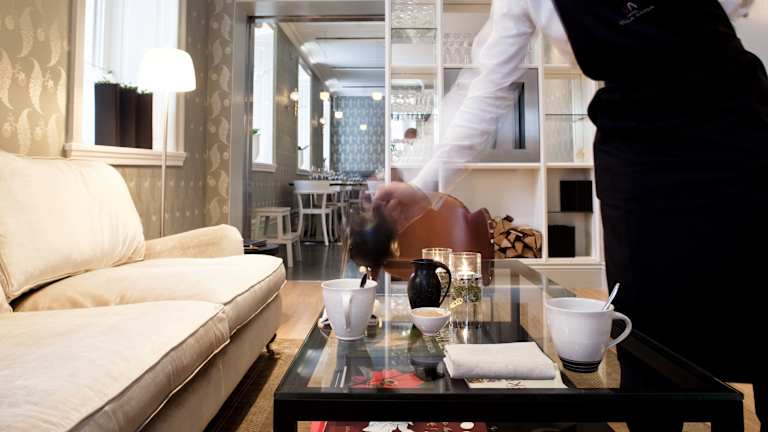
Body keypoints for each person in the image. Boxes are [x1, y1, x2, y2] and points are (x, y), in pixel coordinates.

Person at [374, 0, 767, 430]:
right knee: (649, 332)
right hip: (638, 154)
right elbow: (485, 88)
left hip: (737, 123)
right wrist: (422, 187)